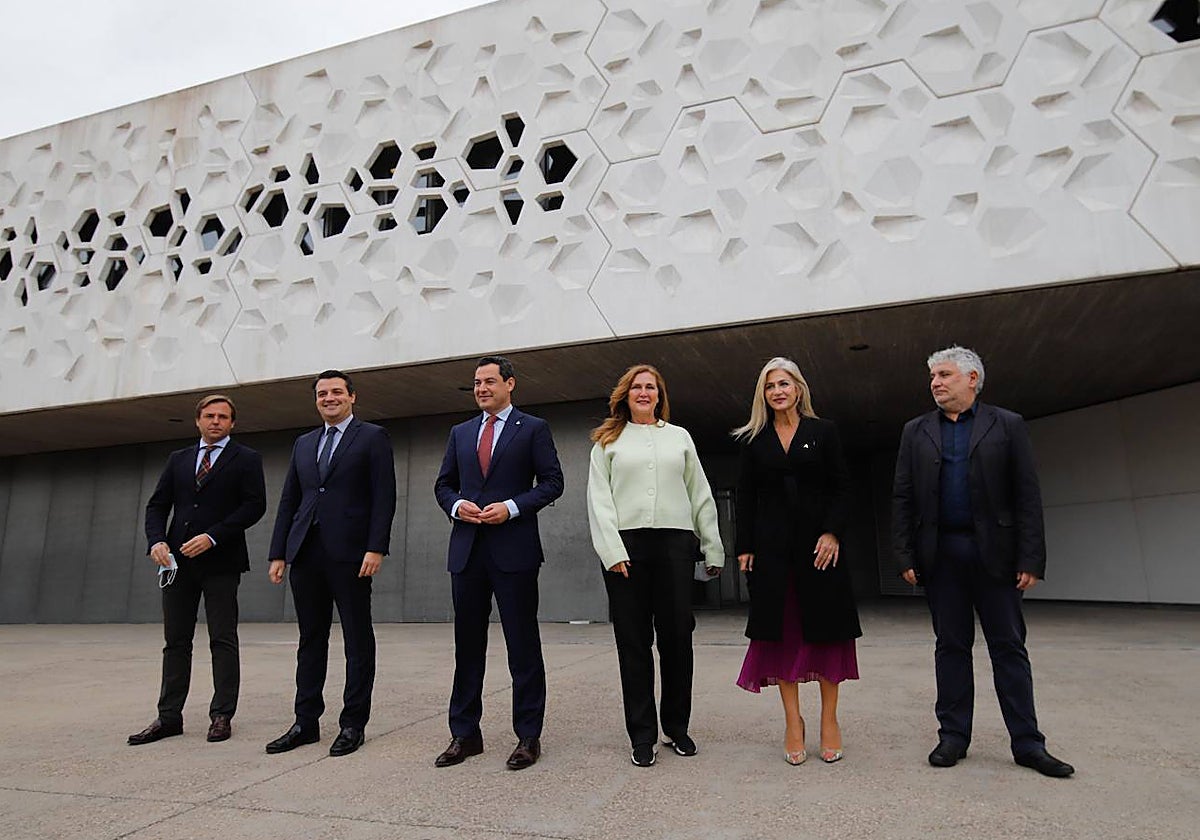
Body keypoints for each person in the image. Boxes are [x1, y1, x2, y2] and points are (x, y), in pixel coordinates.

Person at [892, 345, 1074, 777]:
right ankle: (953, 736)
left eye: (945, 374)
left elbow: (1027, 495)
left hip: (998, 558)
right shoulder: (916, 431)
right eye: (933, 376)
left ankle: (1028, 744)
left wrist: (1031, 556)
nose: (935, 382)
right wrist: (903, 553)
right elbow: (902, 496)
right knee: (950, 647)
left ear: (972, 379)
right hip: (942, 557)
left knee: (1008, 648)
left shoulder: (1007, 425)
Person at [586, 364, 724, 768]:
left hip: (675, 545)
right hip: (626, 549)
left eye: (651, 387)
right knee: (633, 643)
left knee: (678, 638)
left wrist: (712, 547)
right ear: (625, 395)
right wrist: (612, 551)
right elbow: (599, 500)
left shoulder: (679, 437)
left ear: (660, 395)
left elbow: (700, 492)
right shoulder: (607, 441)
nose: (644, 393)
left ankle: (677, 728)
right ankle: (642, 735)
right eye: (636, 387)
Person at [433, 356, 564, 771]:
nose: (481, 388)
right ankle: (465, 734)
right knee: (467, 647)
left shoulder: (534, 429)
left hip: (515, 552)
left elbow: (552, 483)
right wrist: (456, 505)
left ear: (510, 384)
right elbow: (443, 484)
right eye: (476, 383)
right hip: (467, 551)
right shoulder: (461, 432)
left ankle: (528, 735)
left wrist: (511, 507)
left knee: (522, 646)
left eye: (489, 381)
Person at [731, 358, 860, 765]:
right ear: (763, 395)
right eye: (770, 386)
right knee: (782, 637)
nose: (778, 391)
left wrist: (833, 531)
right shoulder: (754, 440)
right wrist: (745, 547)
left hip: (821, 551)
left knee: (826, 633)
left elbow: (842, 487)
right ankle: (792, 722)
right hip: (772, 554)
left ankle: (829, 721)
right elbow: (746, 499)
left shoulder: (824, 432)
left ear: (799, 389)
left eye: (784, 383)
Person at [265, 369, 396, 758]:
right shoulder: (304, 443)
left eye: (336, 392)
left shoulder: (373, 437)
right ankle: (305, 721)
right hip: (305, 552)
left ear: (352, 396)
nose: (329, 398)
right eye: (322, 393)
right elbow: (290, 499)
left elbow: (383, 497)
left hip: (352, 554)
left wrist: (376, 548)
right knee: (310, 640)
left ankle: (353, 723)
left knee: (357, 640)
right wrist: (279, 552)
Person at [130, 394, 266, 745]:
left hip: (221, 562)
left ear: (232, 423)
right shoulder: (179, 459)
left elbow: (254, 506)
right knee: (175, 641)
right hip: (177, 563)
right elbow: (157, 505)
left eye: (223, 417)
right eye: (209, 416)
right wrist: (156, 541)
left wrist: (213, 536)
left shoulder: (246, 458)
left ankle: (222, 715)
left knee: (222, 639)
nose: (215, 421)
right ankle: (168, 717)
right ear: (198, 421)